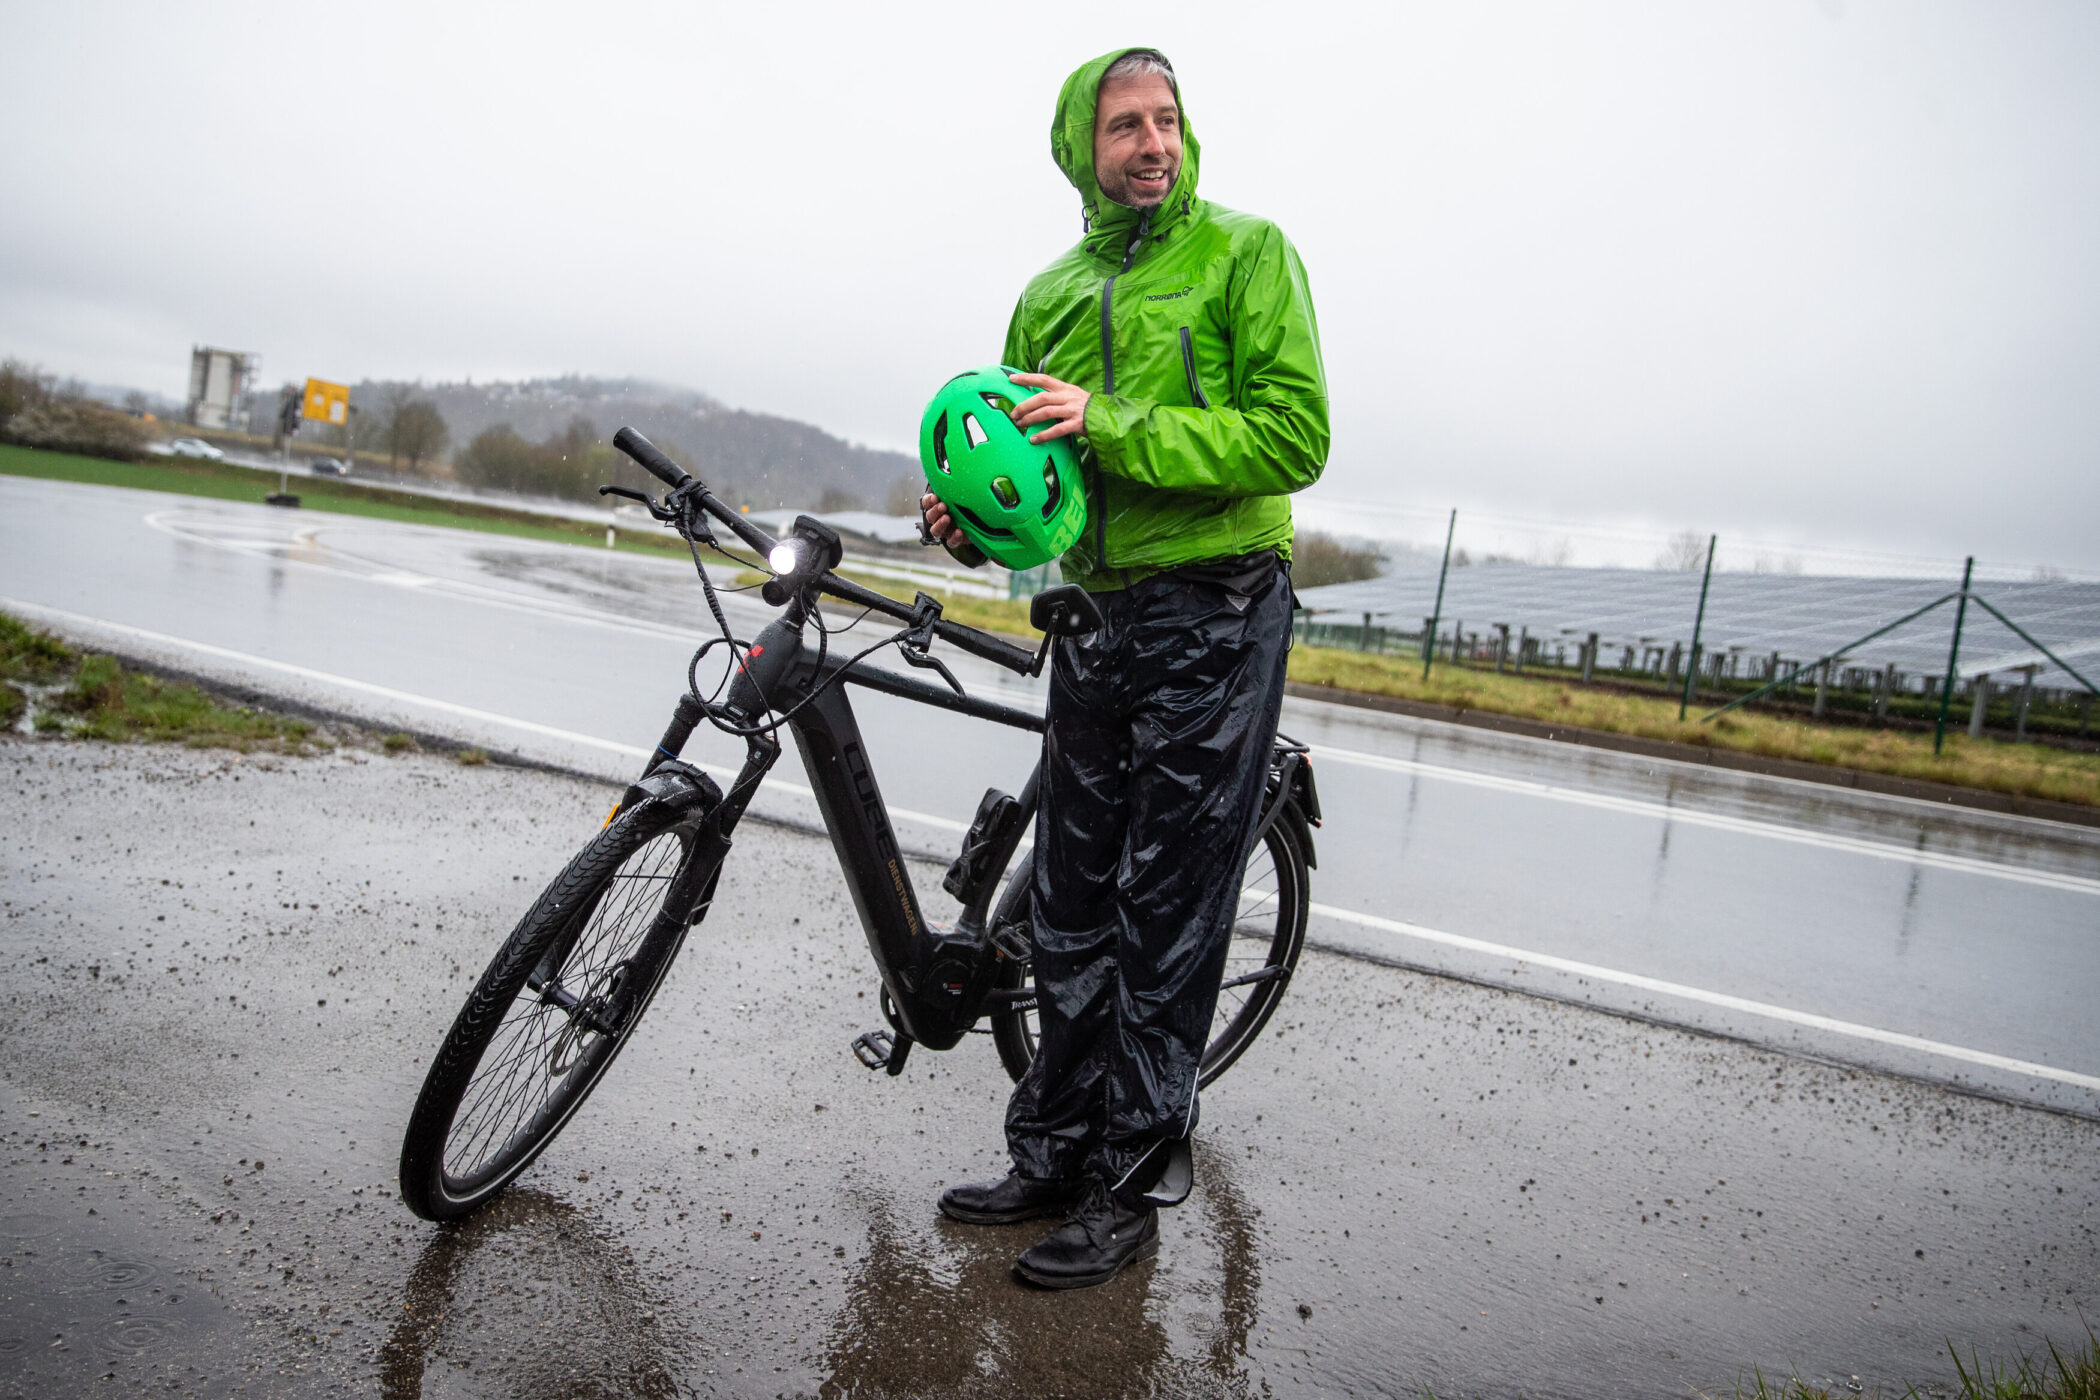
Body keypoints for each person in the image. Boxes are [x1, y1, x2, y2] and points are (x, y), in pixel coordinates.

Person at [924, 46, 1329, 1290]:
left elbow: (1293, 434)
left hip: (1220, 603)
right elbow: (1030, 476)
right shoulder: (1048, 291)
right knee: (1069, 897)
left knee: (1167, 911)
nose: (1152, 143)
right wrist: (970, 515)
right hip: (1096, 612)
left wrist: (1108, 420)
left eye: (1167, 121)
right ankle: (1048, 1151)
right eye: (1125, 128)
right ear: (1080, 151)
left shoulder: (1248, 254)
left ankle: (1133, 1178)